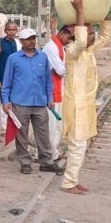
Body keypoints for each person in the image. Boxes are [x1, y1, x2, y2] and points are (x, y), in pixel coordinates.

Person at [62, 0, 111, 195]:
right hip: (76, 106)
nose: (92, 35)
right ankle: (68, 183)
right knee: (77, 146)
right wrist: (80, 11)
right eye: (89, 31)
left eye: (92, 31)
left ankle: (72, 179)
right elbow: (81, 41)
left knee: (81, 145)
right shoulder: (73, 51)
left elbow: (105, 37)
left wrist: (105, 12)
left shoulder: (90, 51)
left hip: (85, 106)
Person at [0, 29, 62, 175]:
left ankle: (46, 162)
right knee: (21, 135)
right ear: (21, 41)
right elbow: (7, 81)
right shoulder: (13, 59)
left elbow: (48, 80)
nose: (32, 41)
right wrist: (5, 101)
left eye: (33, 38)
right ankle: (25, 162)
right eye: (28, 39)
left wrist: (50, 98)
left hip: (40, 103)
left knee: (43, 134)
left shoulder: (43, 58)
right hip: (20, 103)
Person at [42, 24, 72, 161]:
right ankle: (48, 153)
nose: (69, 41)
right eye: (69, 38)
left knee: (58, 124)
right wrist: (69, 69)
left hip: (59, 88)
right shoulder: (51, 47)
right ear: (62, 33)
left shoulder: (61, 47)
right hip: (52, 90)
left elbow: (61, 69)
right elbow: (61, 70)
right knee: (51, 124)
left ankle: (54, 151)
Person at [0, 21, 20, 133]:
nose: (12, 32)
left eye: (14, 30)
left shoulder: (17, 43)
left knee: (13, 103)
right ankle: (5, 129)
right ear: (5, 31)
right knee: (3, 102)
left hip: (15, 79)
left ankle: (13, 126)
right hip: (2, 77)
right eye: (9, 30)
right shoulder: (0, 44)